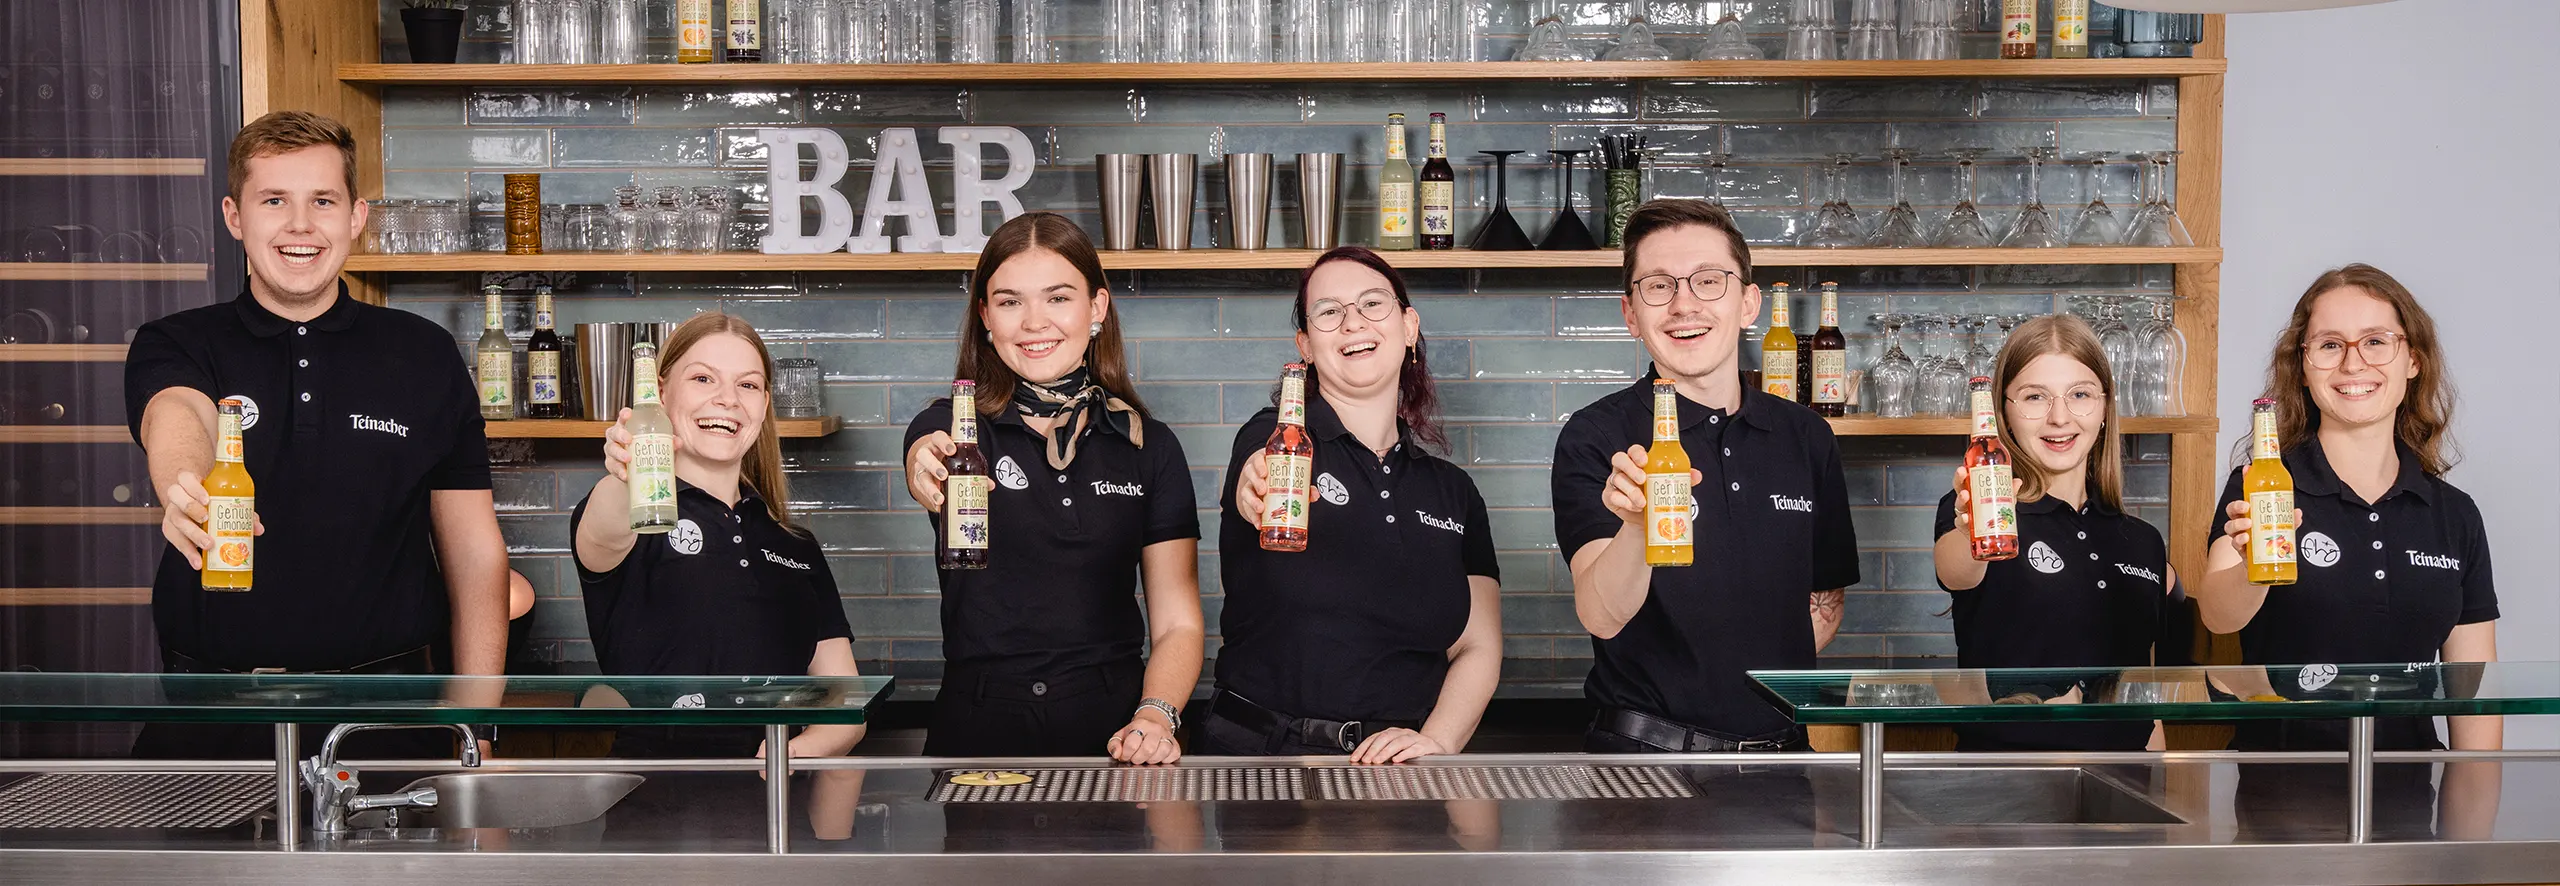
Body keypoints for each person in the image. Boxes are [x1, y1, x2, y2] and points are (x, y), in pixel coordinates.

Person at [123, 111, 509, 759]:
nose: (300, 225)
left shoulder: (425, 355)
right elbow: (177, 418)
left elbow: (476, 557)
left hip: (388, 728)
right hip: (209, 726)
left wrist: (477, 730)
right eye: (274, 200)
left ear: (356, 218)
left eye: (322, 201)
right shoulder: (179, 343)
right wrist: (189, 488)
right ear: (234, 216)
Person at [2193, 264, 2498, 841]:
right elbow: (2217, 613)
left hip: (2408, 802)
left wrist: (2467, 860)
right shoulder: (2263, 485)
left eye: (2376, 342)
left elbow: (2475, 709)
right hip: (2278, 807)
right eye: (2330, 345)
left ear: (2414, 361)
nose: (2353, 363)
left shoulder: (2455, 515)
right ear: (2303, 368)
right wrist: (2259, 564)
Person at [1550, 199, 1858, 753]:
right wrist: (1638, 527)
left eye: (1708, 281)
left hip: (1783, 760)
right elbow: (1600, 615)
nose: (1683, 305)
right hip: (1644, 763)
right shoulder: (1596, 436)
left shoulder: (1807, 437)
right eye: (1658, 286)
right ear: (1630, 315)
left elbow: (1822, 609)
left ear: (1748, 303)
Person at [902, 212, 1203, 762]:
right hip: (977, 726)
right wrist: (923, 457)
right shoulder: (958, 431)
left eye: (1058, 298)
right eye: (1011, 301)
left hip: (1117, 727)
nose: (1034, 322)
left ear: (1097, 309)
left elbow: (1178, 621)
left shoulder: (1148, 446)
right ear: (986, 317)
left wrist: (1155, 716)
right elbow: (929, 444)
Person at [1214, 246, 1504, 761]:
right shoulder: (1278, 440)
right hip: (1267, 757)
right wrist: (1255, 489)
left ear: (1408, 327)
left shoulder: (1453, 492)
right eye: (1328, 311)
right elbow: (1255, 479)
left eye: (1373, 303)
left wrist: (1437, 740)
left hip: (1396, 771)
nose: (1352, 323)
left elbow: (1476, 645)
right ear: (1305, 345)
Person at [572, 311, 866, 761]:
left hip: (778, 808)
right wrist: (627, 472)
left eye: (747, 385)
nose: (728, 400)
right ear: (662, 391)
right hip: (653, 812)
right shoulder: (633, 515)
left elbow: (844, 703)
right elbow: (604, 528)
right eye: (704, 379)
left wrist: (789, 759)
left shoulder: (796, 543)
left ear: (764, 405)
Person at [1931, 315, 2172, 752]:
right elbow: (1956, 569)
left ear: (2104, 408)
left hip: (2124, 792)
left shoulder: (2143, 540)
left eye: (2079, 395)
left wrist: (2163, 783)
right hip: (2007, 792)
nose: (2059, 417)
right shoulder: (1985, 516)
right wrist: (1974, 531)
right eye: (2034, 397)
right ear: (2004, 411)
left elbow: (2144, 698)